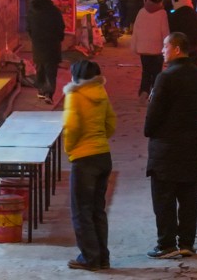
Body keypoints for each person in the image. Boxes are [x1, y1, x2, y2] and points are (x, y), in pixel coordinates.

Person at [144, 32, 197, 259]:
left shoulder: (165, 77)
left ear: (176, 49)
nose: (162, 51)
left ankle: (166, 244)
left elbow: (154, 113)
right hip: (190, 145)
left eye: (165, 46)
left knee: (164, 197)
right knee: (188, 196)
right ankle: (186, 243)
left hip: (166, 147)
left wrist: (151, 130)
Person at [63, 60, 117, 271]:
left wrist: (70, 149)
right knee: (97, 210)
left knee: (81, 211)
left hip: (84, 159)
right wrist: (100, 139)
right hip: (103, 156)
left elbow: (71, 126)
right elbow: (111, 122)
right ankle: (102, 257)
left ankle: (89, 258)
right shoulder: (101, 93)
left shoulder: (75, 95)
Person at [26, 0, 66, 103]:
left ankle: (41, 91)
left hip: (38, 44)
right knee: (51, 70)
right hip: (52, 44)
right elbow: (60, 27)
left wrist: (34, 38)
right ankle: (49, 94)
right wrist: (59, 38)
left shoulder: (32, 10)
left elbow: (28, 27)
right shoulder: (54, 11)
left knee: (40, 67)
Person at [130, 0, 171, 102]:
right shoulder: (162, 13)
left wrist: (134, 46)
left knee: (146, 71)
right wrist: (167, 46)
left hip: (143, 48)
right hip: (157, 48)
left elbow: (136, 30)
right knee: (157, 72)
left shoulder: (141, 12)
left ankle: (144, 91)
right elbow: (165, 31)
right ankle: (155, 92)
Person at [167, 0, 197, 67]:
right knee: (192, 68)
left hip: (179, 48)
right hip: (194, 47)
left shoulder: (174, 16)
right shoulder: (196, 15)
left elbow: (170, 32)